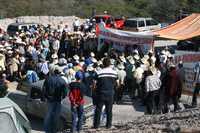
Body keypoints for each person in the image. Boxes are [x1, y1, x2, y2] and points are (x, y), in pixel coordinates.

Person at [93, 57, 117, 129]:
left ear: (103, 64)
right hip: (110, 93)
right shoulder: (114, 73)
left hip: (101, 92)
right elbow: (117, 84)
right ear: (110, 64)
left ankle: (96, 125)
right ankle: (108, 125)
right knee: (109, 110)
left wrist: (95, 90)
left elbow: (94, 84)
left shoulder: (99, 72)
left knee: (98, 109)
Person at [42, 68, 68, 133]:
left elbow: (43, 89)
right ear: (59, 73)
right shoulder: (62, 80)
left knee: (48, 115)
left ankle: (47, 131)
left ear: (54, 72)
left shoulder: (48, 79)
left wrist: (44, 98)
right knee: (56, 116)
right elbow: (65, 92)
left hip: (50, 100)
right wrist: (62, 97)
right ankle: (54, 130)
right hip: (58, 100)